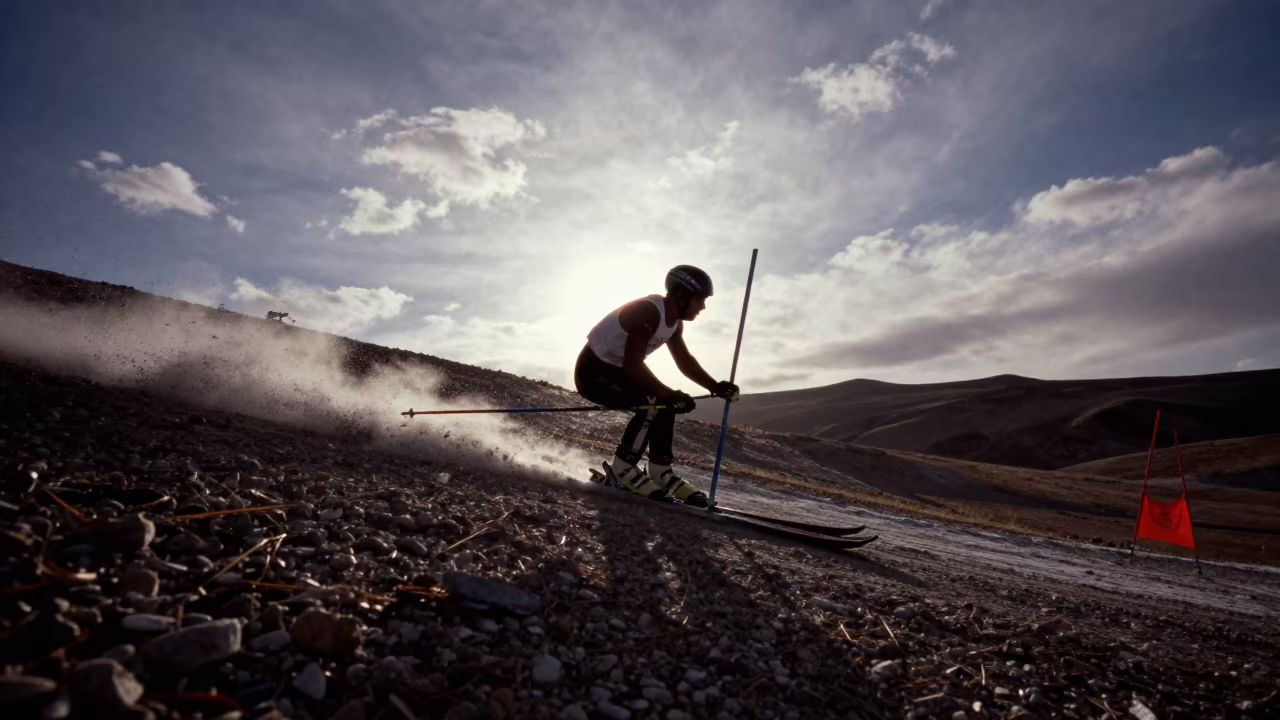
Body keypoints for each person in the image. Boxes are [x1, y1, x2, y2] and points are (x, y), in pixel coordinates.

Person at [575, 265, 740, 507]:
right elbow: (633, 365)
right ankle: (623, 470)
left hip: (616, 372)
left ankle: (661, 472)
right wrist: (667, 394)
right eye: (701, 299)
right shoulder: (648, 312)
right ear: (683, 295)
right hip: (593, 373)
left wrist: (715, 386)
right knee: (655, 401)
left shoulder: (674, 322)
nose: (703, 307)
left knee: (665, 405)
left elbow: (684, 361)